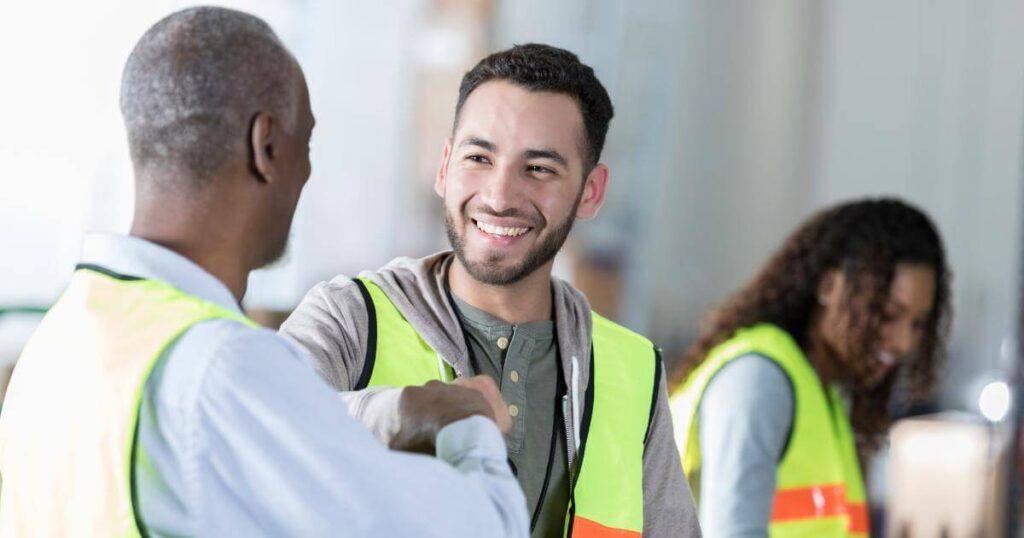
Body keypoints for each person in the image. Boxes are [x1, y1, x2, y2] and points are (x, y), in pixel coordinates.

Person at [0, 7, 529, 536]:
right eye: (308, 142)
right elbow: (484, 526)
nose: (308, 170)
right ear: (267, 146)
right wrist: (465, 421)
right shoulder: (218, 365)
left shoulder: (64, 337)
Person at [281, 44, 700, 537]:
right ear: (444, 167)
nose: (499, 197)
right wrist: (404, 412)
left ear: (590, 192)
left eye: (539, 168)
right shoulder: (350, 318)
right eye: (479, 157)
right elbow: (254, 427)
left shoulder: (633, 372)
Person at [669, 198, 952, 537]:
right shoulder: (759, 381)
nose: (904, 341)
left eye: (918, 324)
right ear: (829, 286)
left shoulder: (823, 398)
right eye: (888, 314)